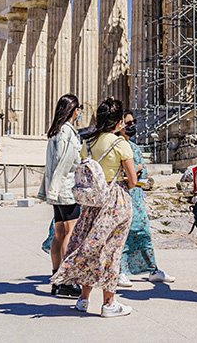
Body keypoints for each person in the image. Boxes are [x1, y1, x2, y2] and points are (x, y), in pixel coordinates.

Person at [52, 97, 137, 318]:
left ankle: (83, 299)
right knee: (111, 251)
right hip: (115, 202)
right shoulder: (121, 144)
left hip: (92, 203)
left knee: (89, 247)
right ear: (119, 122)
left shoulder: (86, 143)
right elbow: (133, 180)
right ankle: (109, 303)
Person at [117, 110, 175, 286]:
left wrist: (138, 176)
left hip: (137, 197)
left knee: (143, 233)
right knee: (123, 234)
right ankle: (120, 271)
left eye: (133, 122)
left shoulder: (134, 147)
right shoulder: (118, 145)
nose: (132, 125)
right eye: (128, 123)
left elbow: (143, 176)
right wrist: (134, 173)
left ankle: (152, 269)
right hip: (121, 196)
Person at [38, 94, 84, 299]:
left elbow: (50, 164)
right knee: (70, 234)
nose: (80, 112)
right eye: (79, 109)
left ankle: (56, 276)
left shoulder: (55, 132)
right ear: (74, 110)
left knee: (58, 233)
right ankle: (67, 280)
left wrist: (48, 189)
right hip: (66, 188)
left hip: (56, 189)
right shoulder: (67, 132)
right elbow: (65, 163)